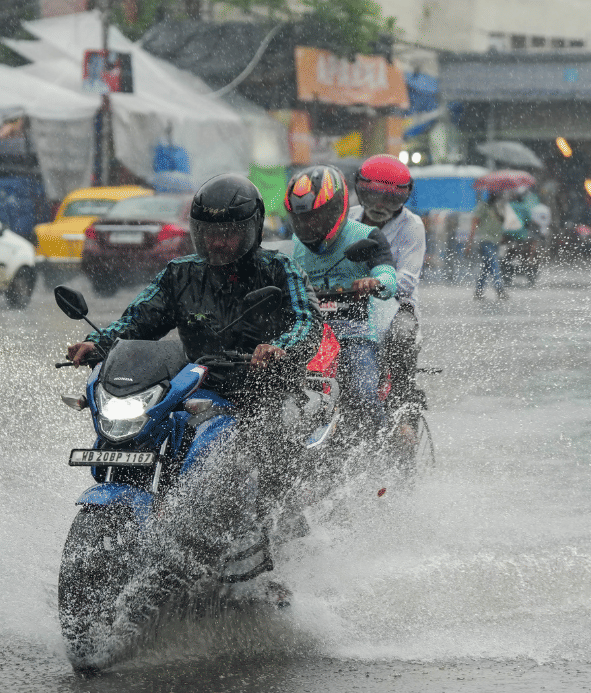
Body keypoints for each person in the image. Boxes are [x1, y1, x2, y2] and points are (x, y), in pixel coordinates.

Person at [63, 174, 319, 661]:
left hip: (261, 393)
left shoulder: (280, 270)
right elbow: (138, 320)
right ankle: (145, 542)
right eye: (209, 232)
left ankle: (270, 559)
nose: (218, 241)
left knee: (254, 463)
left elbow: (308, 323)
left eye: (229, 232)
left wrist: (279, 348)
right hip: (198, 388)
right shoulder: (181, 273)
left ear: (253, 230)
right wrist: (100, 343)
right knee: (147, 430)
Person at [285, 164, 397, 436]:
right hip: (311, 337)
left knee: (361, 393)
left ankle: (384, 448)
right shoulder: (295, 246)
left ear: (339, 208)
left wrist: (374, 282)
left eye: (318, 217)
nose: (309, 226)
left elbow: (389, 276)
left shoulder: (366, 235)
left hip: (356, 334)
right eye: (304, 220)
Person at [348, 154, 426, 420]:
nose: (380, 205)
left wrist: (377, 283)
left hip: (395, 306)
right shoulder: (348, 218)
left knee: (402, 336)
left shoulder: (412, 226)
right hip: (345, 301)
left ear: (403, 199)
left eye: (390, 200)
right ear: (359, 190)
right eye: (372, 196)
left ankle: (403, 408)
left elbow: (407, 279)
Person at [467, 190, 508, 300]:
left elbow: (504, 222)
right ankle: (500, 290)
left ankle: (479, 290)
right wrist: (469, 242)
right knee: (494, 265)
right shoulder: (483, 206)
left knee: (486, 267)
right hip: (486, 241)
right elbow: (474, 222)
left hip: (496, 241)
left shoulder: (500, 207)